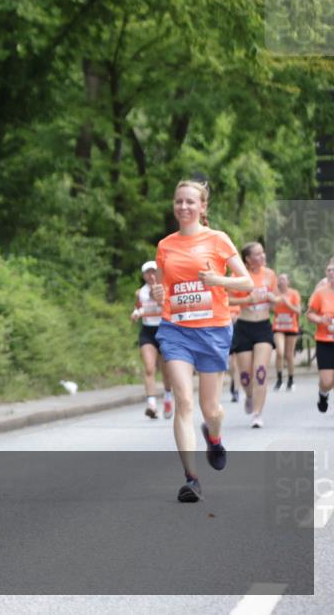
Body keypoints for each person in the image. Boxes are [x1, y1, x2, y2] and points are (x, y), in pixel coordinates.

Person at [151, 179, 252, 503]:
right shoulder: (165, 245)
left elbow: (246, 283)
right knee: (184, 401)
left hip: (213, 331)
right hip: (175, 330)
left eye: (190, 202)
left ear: (203, 207)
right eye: (178, 201)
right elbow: (167, 288)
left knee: (212, 409)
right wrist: (158, 294)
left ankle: (214, 434)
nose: (183, 207)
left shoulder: (218, 240)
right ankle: (191, 479)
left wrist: (216, 280)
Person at [227, 242, 277, 428]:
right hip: (244, 327)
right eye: (257, 254)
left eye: (263, 252)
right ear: (247, 259)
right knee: (246, 376)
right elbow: (226, 298)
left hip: (263, 327)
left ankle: (257, 413)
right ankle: (249, 395)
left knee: (260, 372)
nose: (262, 256)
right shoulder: (238, 276)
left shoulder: (269, 275)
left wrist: (274, 300)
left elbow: (278, 299)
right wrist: (247, 299)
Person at [131, 261, 173, 419]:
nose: (151, 275)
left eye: (154, 272)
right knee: (149, 368)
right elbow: (138, 307)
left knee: (166, 371)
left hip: (164, 330)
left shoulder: (166, 289)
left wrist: (160, 300)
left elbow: (170, 307)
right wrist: (136, 314)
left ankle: (168, 397)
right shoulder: (140, 292)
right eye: (148, 273)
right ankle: (152, 404)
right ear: (143, 275)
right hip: (148, 332)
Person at [308, 259, 334, 414]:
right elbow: (310, 314)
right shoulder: (320, 293)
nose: (332, 272)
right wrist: (321, 320)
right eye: (329, 270)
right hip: (324, 341)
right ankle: (323, 393)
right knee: (327, 381)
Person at [271, 273, 301, 392]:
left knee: (289, 355)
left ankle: (291, 380)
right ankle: (279, 380)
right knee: (279, 352)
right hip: (278, 327)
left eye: (283, 279)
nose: (281, 281)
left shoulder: (293, 293)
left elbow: (298, 310)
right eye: (279, 279)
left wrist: (288, 303)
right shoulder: (275, 293)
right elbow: (271, 308)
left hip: (291, 327)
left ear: (288, 281)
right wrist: (275, 302)